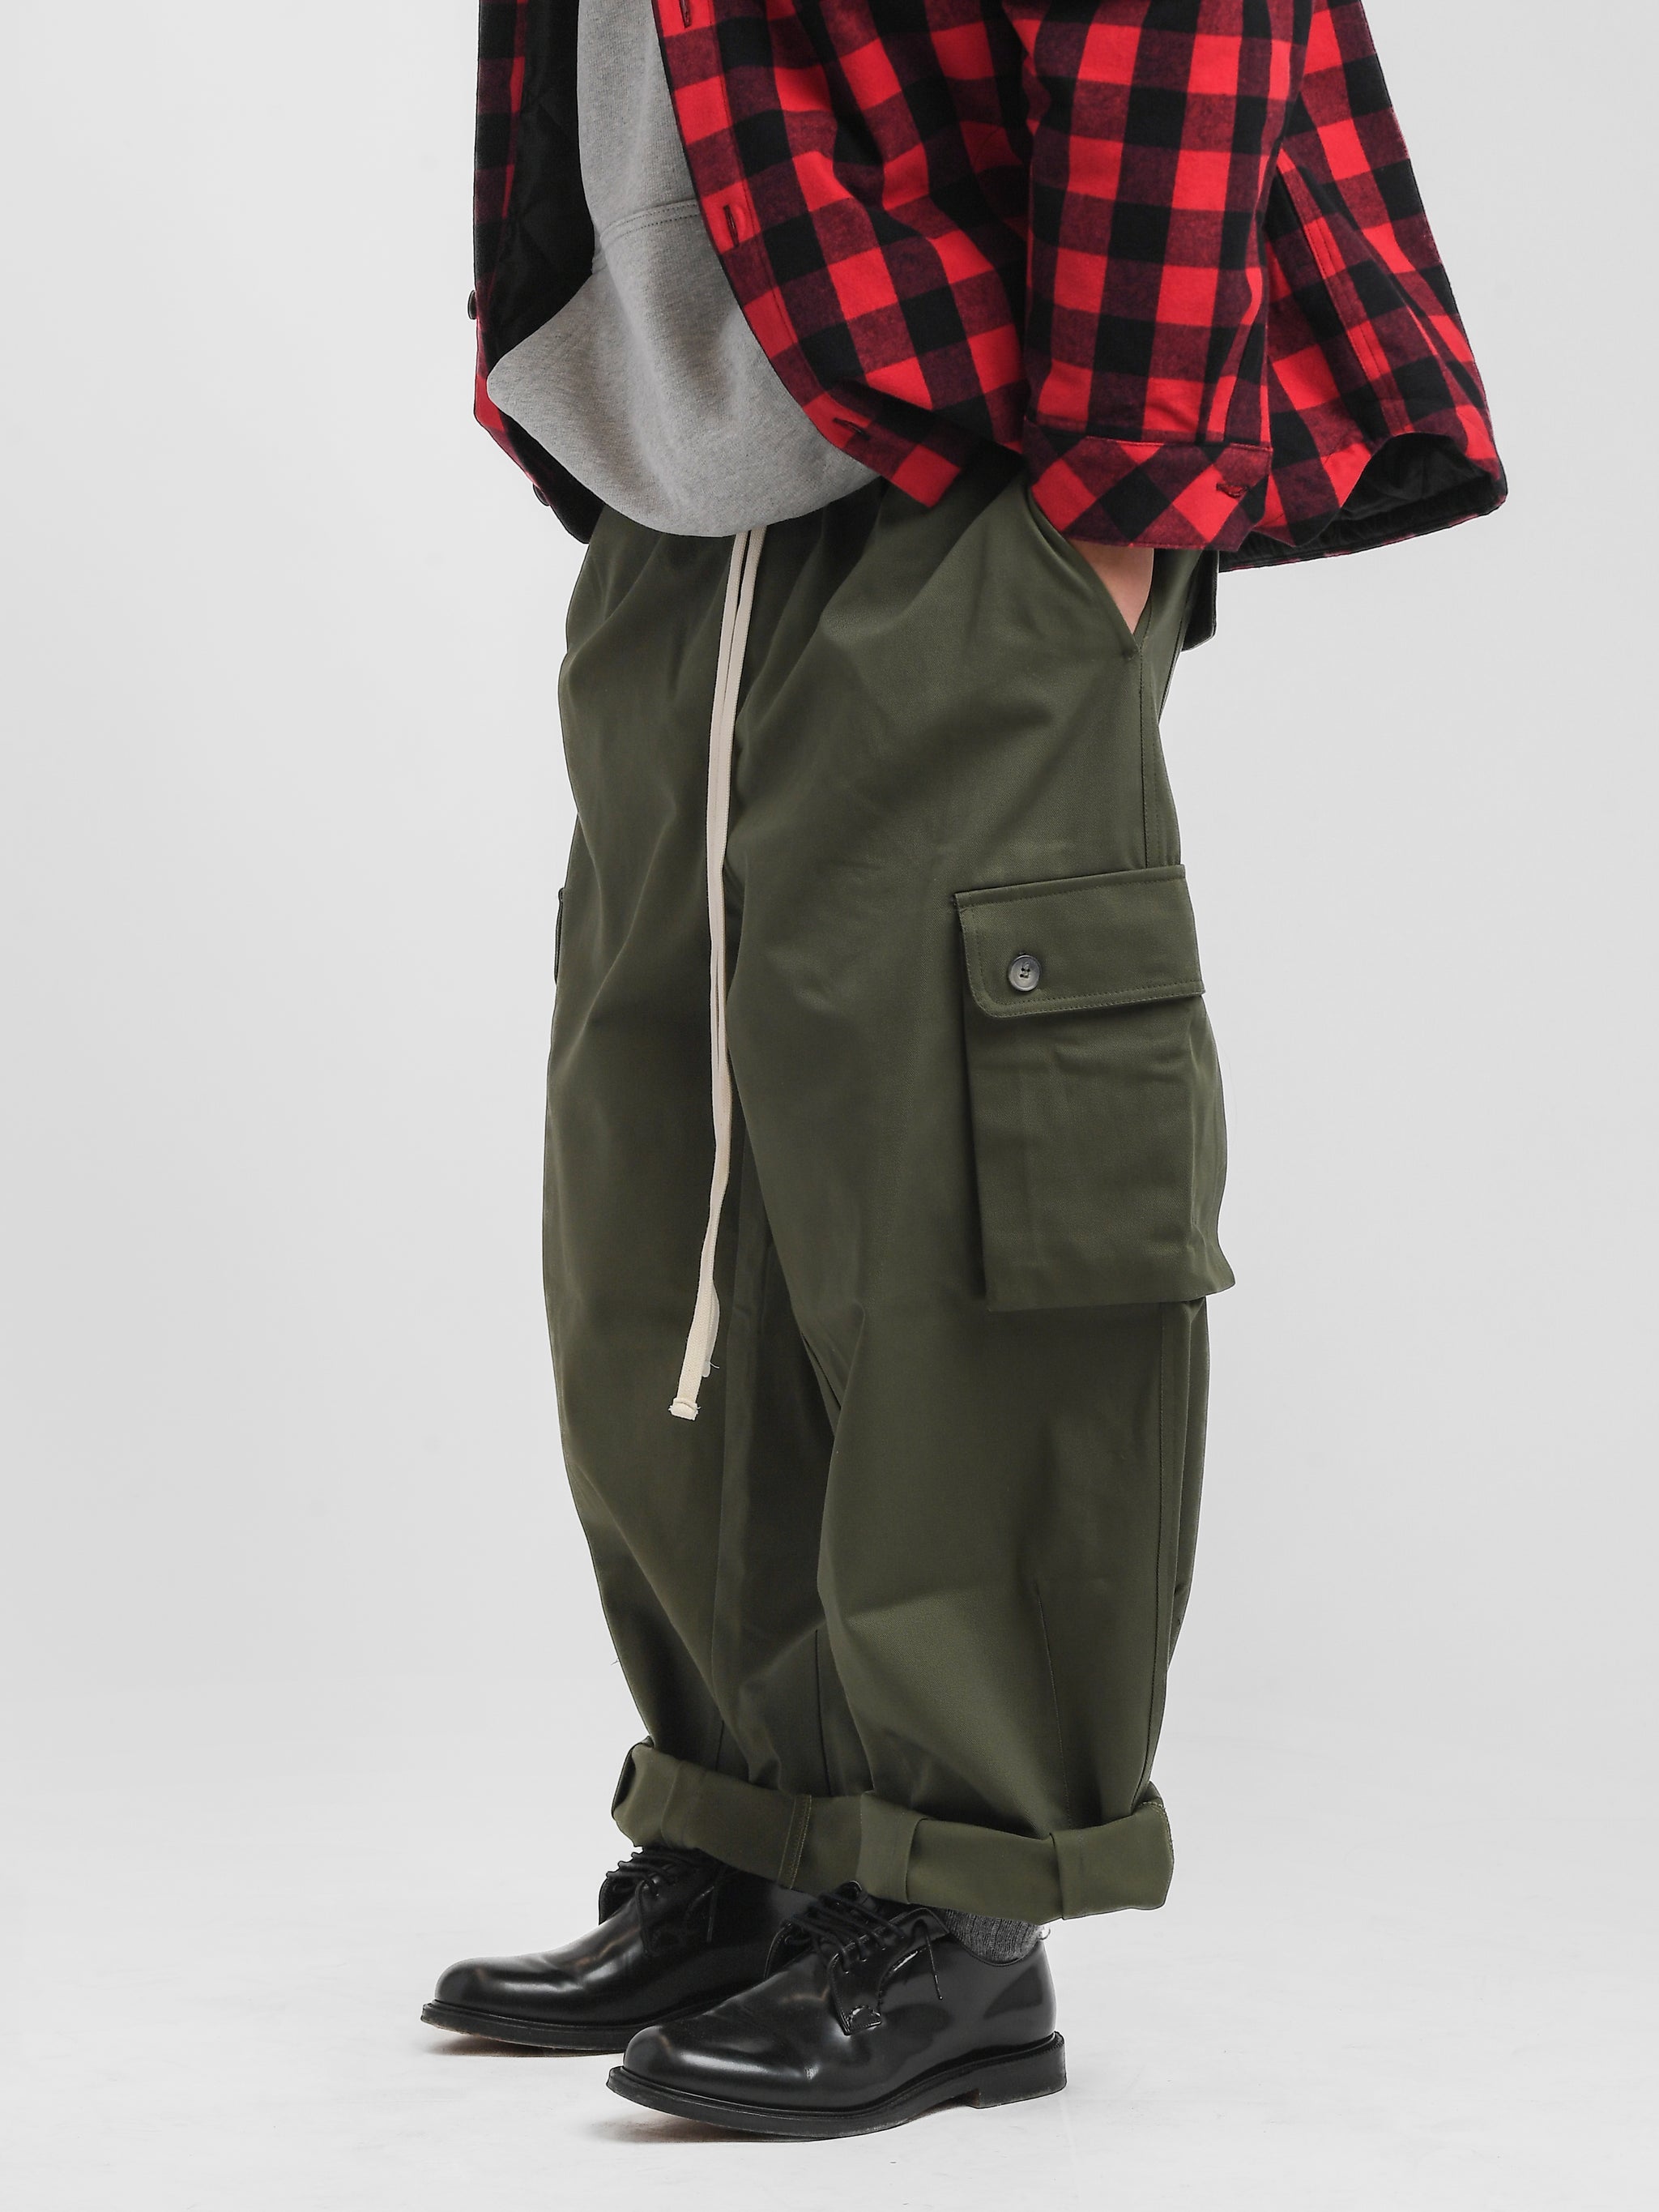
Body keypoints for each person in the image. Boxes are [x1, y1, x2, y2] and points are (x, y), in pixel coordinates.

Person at [422, 0, 1503, 2139]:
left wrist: (1120, 494)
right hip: (687, 455)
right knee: (672, 1171)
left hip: (977, 446)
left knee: (960, 1169)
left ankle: (963, 1895)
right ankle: (753, 1827)